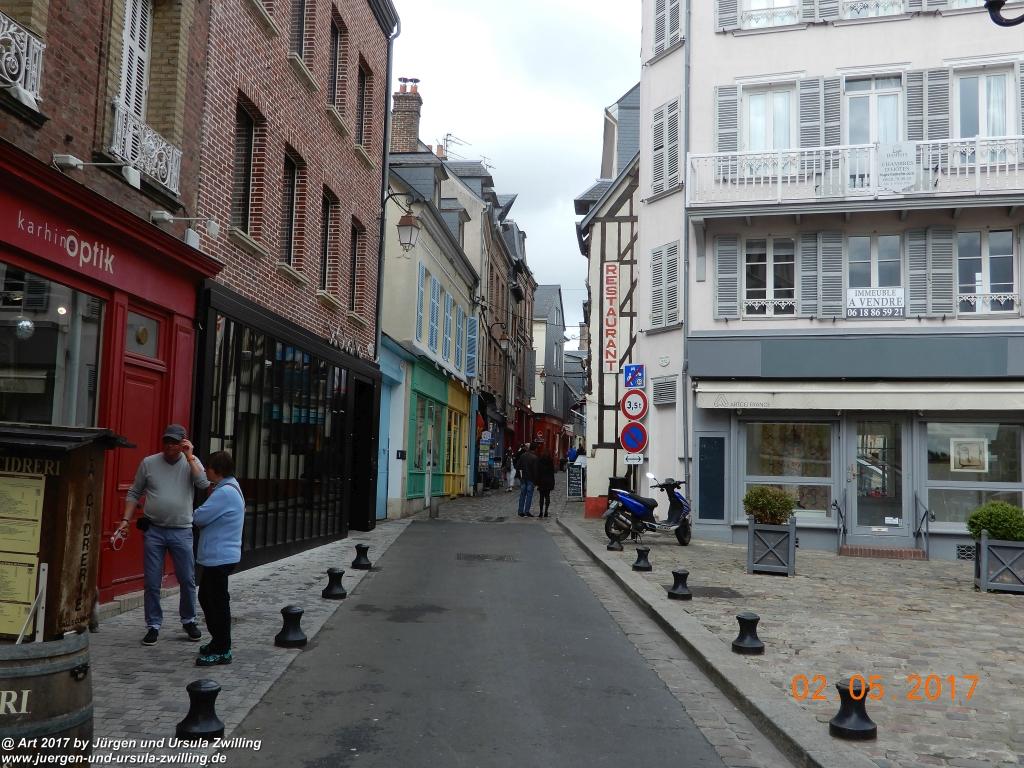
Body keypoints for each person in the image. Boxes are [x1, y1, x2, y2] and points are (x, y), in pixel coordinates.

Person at [117, 424, 210, 646]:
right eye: (167, 441)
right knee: (151, 581)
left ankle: (188, 620)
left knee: (187, 579)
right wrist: (125, 521)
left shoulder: (192, 462)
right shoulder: (149, 463)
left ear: (183, 443)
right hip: (155, 530)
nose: (170, 446)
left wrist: (190, 457)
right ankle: (153, 625)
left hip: (181, 530)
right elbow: (134, 491)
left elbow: (203, 484)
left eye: (175, 442)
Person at [192, 450, 245, 667]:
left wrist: (199, 510)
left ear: (218, 470)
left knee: (216, 602)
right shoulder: (229, 487)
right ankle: (218, 641)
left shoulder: (224, 493)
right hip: (220, 555)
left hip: (219, 556)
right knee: (208, 597)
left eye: (209, 468)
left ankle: (223, 647)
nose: (205, 471)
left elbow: (199, 516)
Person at [516, 442, 539, 518]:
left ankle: (520, 511)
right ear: (535, 449)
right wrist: (536, 481)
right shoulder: (534, 458)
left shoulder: (523, 456)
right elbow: (535, 471)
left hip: (523, 478)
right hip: (530, 479)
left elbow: (518, 466)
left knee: (522, 495)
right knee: (529, 495)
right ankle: (526, 511)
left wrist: (520, 477)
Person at [535, 447, 556, 518]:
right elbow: (552, 473)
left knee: (541, 497)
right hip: (548, 481)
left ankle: (541, 512)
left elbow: (537, 472)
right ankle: (546, 511)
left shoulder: (540, 461)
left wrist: (537, 482)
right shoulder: (550, 461)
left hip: (541, 481)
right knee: (547, 496)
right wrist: (553, 483)